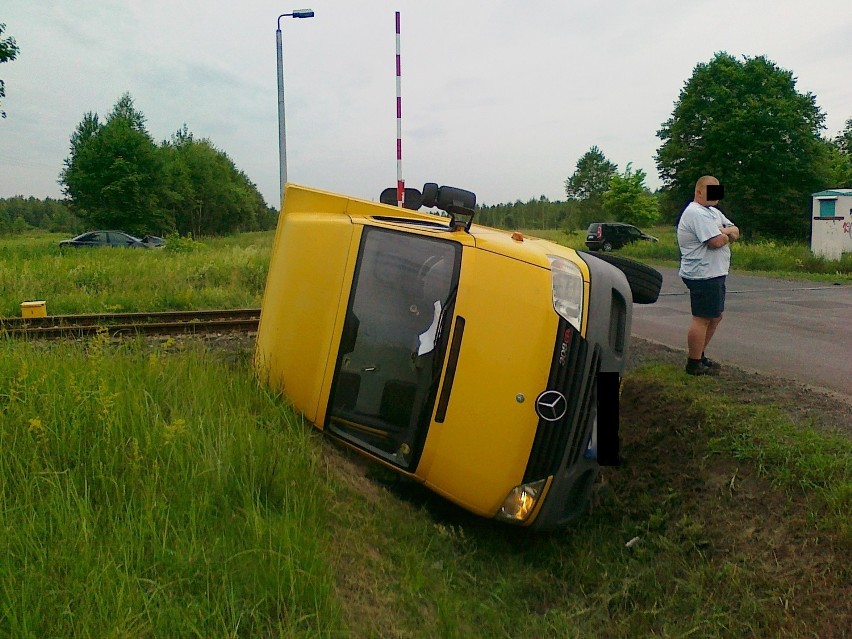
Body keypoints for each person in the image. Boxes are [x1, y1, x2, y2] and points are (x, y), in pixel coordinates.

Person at [677, 176, 740, 376]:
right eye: (710, 190)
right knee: (703, 317)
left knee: (715, 316)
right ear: (698, 192)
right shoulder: (696, 213)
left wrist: (725, 231)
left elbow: (735, 231)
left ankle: (699, 355)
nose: (715, 195)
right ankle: (694, 363)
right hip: (702, 273)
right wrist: (723, 233)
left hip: (715, 272)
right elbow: (716, 241)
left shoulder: (712, 212)